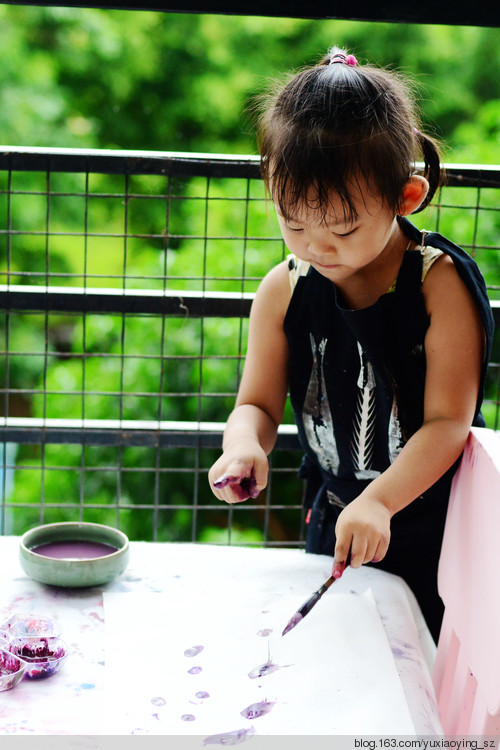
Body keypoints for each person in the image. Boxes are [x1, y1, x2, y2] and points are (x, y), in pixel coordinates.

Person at [208, 47, 494, 643]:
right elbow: (255, 406)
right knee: (335, 654)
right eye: (293, 221)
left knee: (422, 669)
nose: (317, 245)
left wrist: (381, 503)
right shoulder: (284, 287)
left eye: (341, 227)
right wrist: (243, 449)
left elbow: (448, 422)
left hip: (434, 526)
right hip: (335, 516)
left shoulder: (438, 283)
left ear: (404, 198)